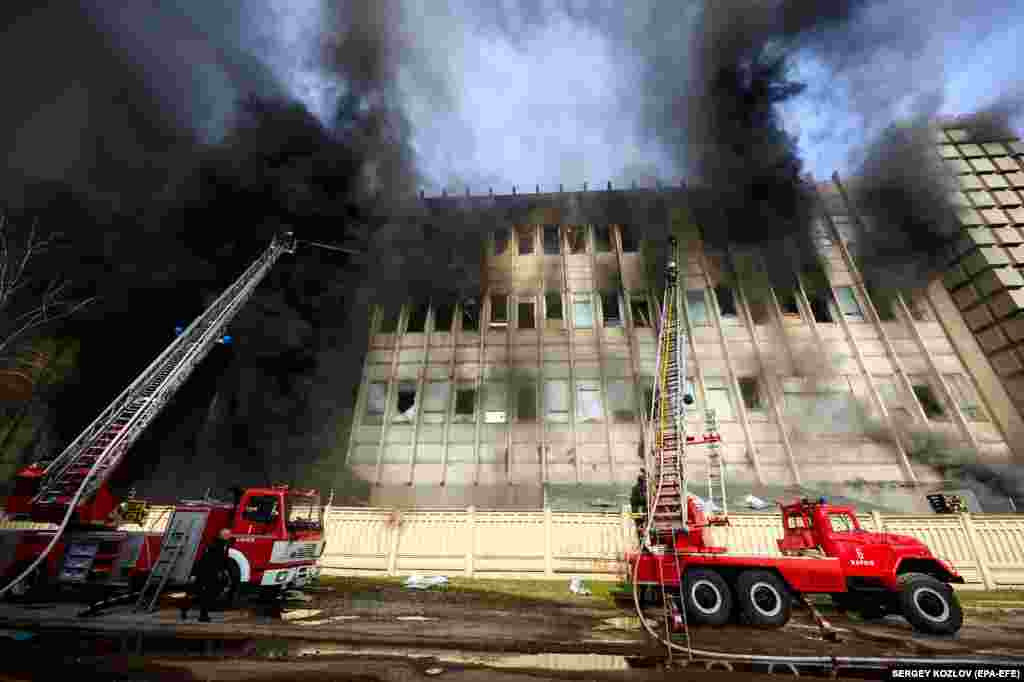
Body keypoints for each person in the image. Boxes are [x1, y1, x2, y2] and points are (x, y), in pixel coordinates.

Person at [182, 528, 233, 623]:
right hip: (206, 573)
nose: (230, 536)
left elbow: (223, 561)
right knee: (205, 594)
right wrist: (195, 574)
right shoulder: (216, 545)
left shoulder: (224, 545)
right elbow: (205, 560)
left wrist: (224, 572)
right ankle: (201, 615)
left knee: (201, 594)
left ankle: (187, 609)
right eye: (228, 535)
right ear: (223, 536)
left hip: (210, 573)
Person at [630, 470, 648, 543]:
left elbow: (632, 500)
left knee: (639, 528)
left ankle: (641, 542)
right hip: (641, 512)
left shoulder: (634, 488)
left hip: (636, 512)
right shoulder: (642, 489)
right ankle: (642, 542)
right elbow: (642, 500)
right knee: (643, 527)